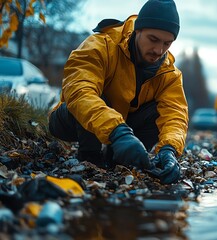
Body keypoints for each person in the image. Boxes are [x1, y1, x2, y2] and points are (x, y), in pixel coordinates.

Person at [48, 0, 188, 184]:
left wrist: (169, 150)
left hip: (125, 130)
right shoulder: (100, 45)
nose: (159, 50)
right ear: (138, 30)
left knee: (159, 112)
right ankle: (90, 156)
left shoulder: (170, 74)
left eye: (167, 43)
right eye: (153, 40)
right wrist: (117, 132)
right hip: (69, 121)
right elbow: (79, 92)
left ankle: (121, 160)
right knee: (93, 98)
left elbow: (175, 115)